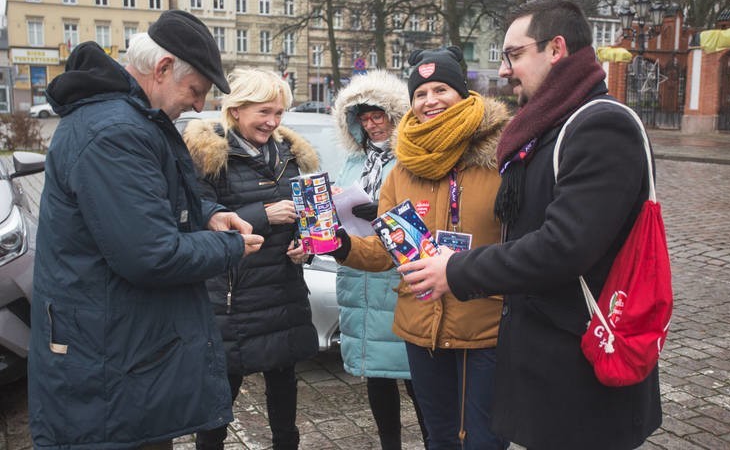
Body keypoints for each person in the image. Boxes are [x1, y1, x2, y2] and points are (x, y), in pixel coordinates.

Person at [399, 0, 663, 449]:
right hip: (550, 366)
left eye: (515, 55)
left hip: (586, 369)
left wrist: (456, 270)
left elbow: (564, 247)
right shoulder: (544, 130)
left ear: (556, 49)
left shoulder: (600, 125)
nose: (504, 71)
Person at [28, 10, 265, 450]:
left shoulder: (127, 120)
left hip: (118, 355)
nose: (199, 106)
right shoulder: (114, 131)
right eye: (196, 91)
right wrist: (228, 246)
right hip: (105, 374)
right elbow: (151, 254)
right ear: (162, 69)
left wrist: (208, 213)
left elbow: (155, 199)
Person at [331, 47, 509, 449]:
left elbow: (522, 245)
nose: (430, 101)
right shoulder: (403, 167)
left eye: (441, 89)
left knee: (484, 441)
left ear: (463, 93)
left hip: (483, 329)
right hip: (421, 329)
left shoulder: (501, 158)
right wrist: (339, 244)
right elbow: (385, 250)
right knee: (440, 440)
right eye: (421, 93)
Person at [183, 68, 319, 450]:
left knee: (284, 399)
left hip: (282, 291)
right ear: (237, 109)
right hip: (232, 302)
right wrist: (263, 215)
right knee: (217, 407)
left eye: (279, 113)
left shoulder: (287, 153)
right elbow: (200, 219)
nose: (273, 122)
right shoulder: (209, 156)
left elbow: (299, 214)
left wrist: (303, 244)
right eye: (264, 112)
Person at [331, 70, 428, 450]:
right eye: (364, 119)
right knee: (376, 372)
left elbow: (421, 214)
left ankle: (434, 439)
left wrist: (384, 213)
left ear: (395, 116)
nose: (371, 125)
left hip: (395, 274)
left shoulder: (411, 158)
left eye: (379, 117)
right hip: (359, 274)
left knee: (416, 373)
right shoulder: (354, 162)